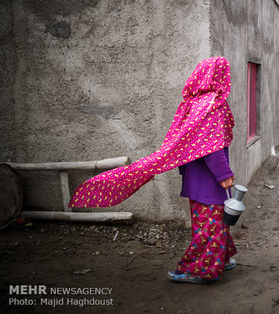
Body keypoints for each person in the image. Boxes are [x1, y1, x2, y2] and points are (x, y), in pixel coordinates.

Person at [69, 57, 237, 283]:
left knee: (211, 222)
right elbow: (211, 147)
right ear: (219, 77)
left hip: (196, 178)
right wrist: (224, 175)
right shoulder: (212, 106)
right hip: (209, 181)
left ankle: (221, 260)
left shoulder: (194, 104)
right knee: (211, 224)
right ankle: (202, 270)